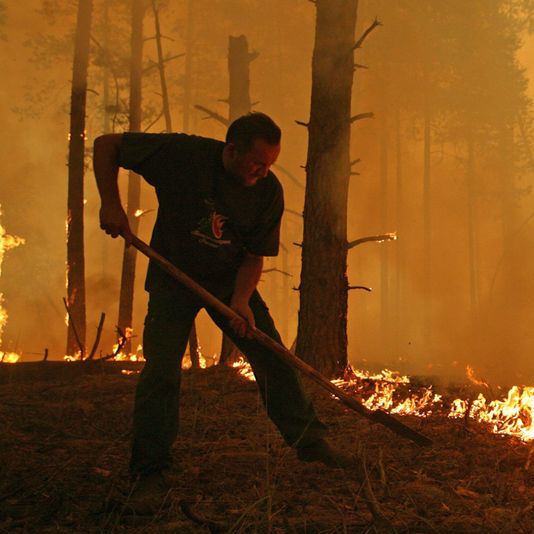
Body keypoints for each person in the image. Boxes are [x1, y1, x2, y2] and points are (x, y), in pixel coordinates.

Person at [94, 113, 348, 510]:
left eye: (270, 164)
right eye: (256, 163)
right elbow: (107, 144)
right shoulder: (184, 154)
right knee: (161, 371)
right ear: (231, 150)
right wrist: (112, 203)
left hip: (229, 282)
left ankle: (311, 444)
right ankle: (150, 471)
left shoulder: (268, 192)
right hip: (171, 275)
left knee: (273, 357)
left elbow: (253, 256)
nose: (263, 172)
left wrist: (241, 301)